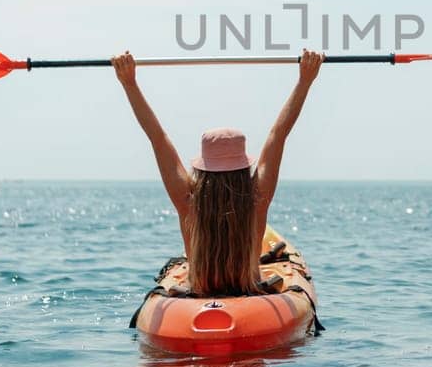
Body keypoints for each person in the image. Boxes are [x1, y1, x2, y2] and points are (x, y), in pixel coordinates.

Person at [113, 48, 323, 297]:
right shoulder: (256, 201)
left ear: (203, 168)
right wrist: (305, 79)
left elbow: (157, 137)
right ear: (244, 167)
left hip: (198, 295)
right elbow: (279, 134)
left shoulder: (188, 203)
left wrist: (129, 82)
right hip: (249, 294)